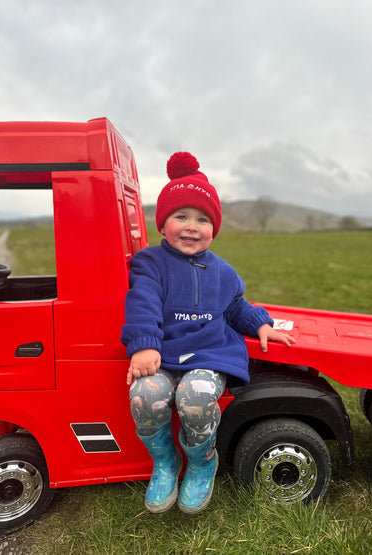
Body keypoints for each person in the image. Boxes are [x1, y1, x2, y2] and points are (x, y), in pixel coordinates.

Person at [121, 151, 296, 515]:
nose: (191, 226)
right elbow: (142, 304)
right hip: (164, 353)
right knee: (145, 391)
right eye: (180, 216)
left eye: (202, 219)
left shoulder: (223, 271)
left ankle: (202, 462)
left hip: (209, 353)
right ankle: (165, 463)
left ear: (214, 228)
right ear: (162, 223)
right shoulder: (150, 263)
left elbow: (235, 307)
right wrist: (144, 346)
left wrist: (261, 323)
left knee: (196, 397)